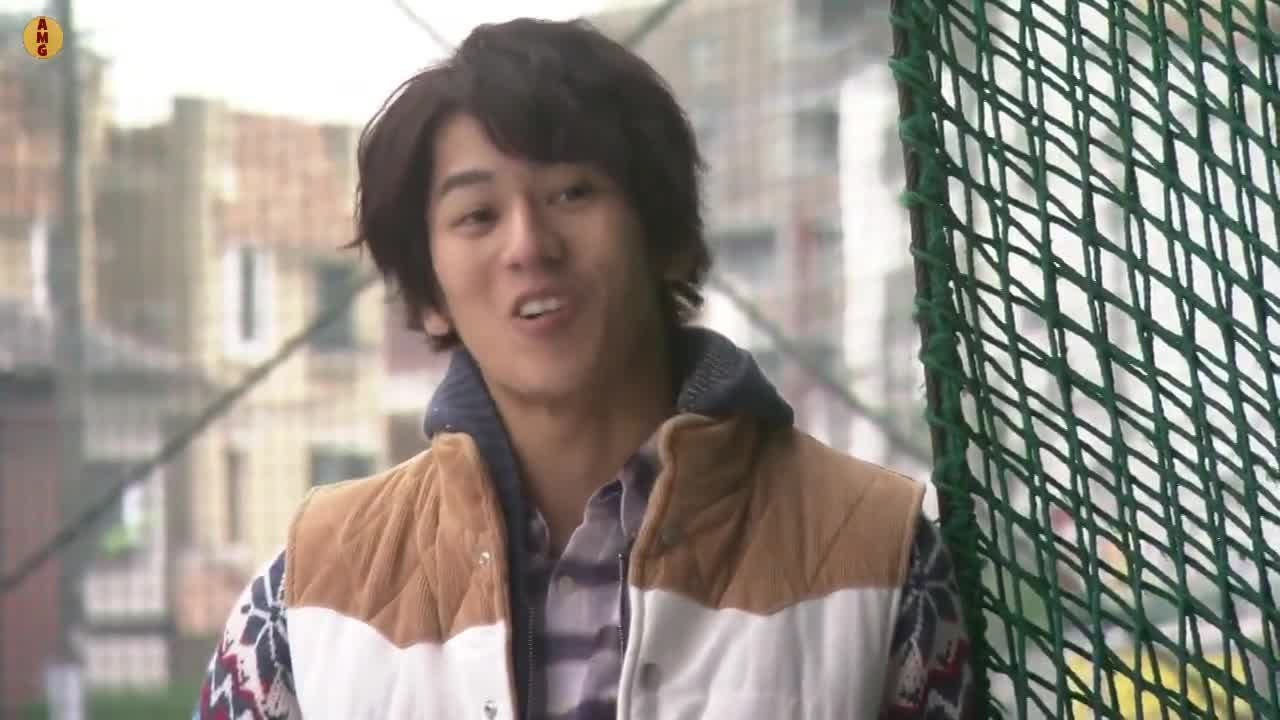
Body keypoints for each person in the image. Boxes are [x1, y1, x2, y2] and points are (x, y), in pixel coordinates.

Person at [195, 16, 972, 720]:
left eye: (572, 193)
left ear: (667, 240)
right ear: (429, 295)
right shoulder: (308, 593)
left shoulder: (881, 554)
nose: (528, 244)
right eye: (477, 215)